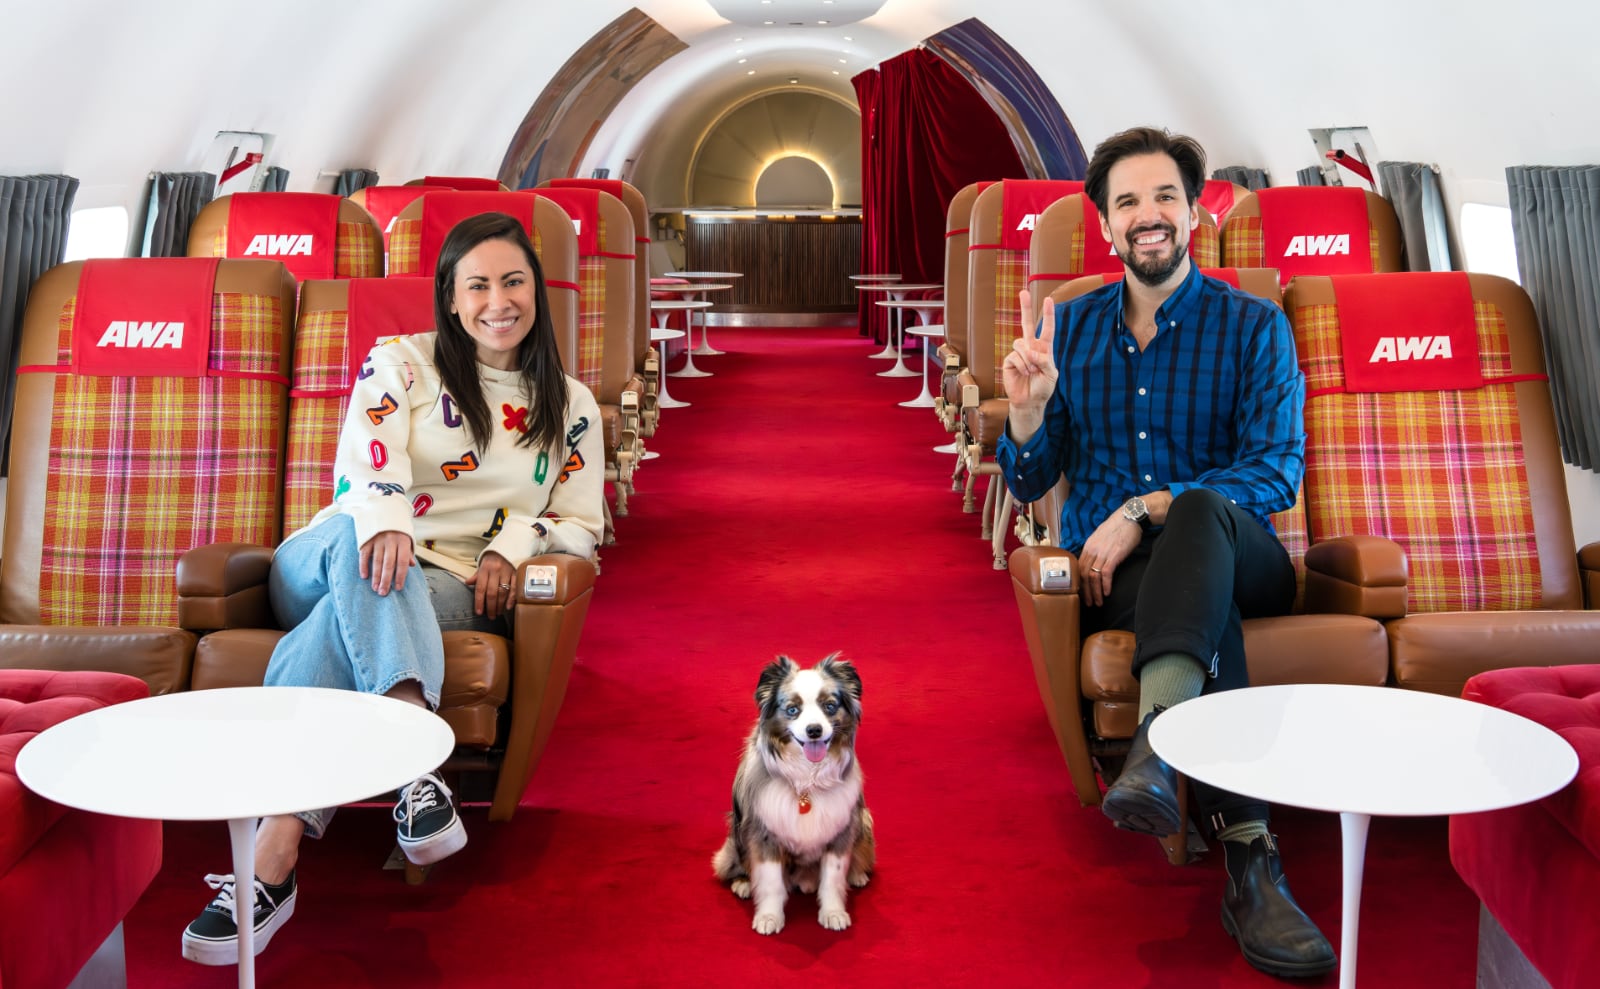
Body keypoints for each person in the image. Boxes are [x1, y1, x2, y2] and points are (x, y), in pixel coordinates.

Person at [182, 211, 605, 965]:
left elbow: (578, 523)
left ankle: (273, 857)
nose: (496, 301)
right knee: (366, 539)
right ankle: (415, 756)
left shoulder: (570, 406)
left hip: (448, 583)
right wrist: (389, 524)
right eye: (477, 285)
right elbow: (367, 467)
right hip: (327, 555)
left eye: (513, 281)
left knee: (341, 629)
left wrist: (513, 542)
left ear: (536, 291)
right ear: (449, 296)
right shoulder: (400, 362)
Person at [998, 127, 1335, 979]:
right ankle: (1252, 860)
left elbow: (1276, 471)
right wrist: (1031, 411)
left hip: (1245, 556)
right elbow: (1034, 475)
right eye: (1127, 203)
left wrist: (1147, 507)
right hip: (1126, 582)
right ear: (1104, 225)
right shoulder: (1067, 330)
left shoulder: (1255, 325)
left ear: (1194, 213)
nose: (1148, 217)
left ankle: (1157, 738)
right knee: (1186, 581)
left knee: (1200, 508)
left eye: (1164, 199)